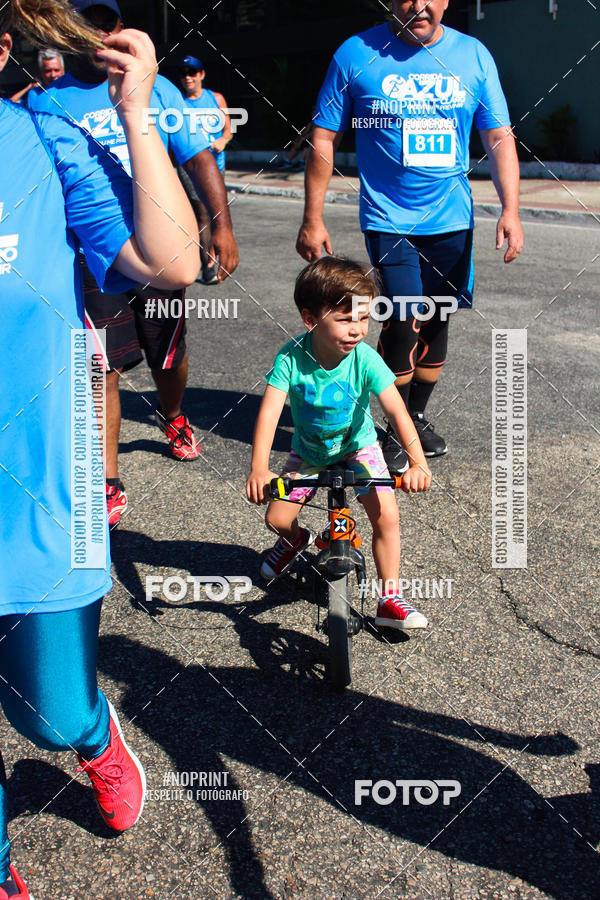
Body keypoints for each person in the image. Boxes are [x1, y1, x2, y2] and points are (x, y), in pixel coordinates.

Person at [0, 1, 199, 896]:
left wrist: (136, 112)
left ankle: (89, 735)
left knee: (47, 710)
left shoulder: (41, 140)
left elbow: (171, 265)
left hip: (39, 490)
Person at [30, 0, 239, 526]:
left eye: (110, 24)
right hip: (94, 260)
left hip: (163, 243)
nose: (101, 34)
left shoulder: (157, 86)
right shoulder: (45, 104)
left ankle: (173, 416)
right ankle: (106, 477)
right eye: (89, 25)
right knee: (100, 367)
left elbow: (197, 157)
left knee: (168, 353)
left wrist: (223, 227)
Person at [296, 0, 524, 471]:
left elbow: (499, 136)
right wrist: (312, 217)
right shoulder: (356, 53)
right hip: (388, 219)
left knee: (438, 318)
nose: (419, 5)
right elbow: (324, 136)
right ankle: (392, 427)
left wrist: (511, 209)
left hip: (453, 221)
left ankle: (415, 415)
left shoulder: (474, 54)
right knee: (401, 319)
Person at [246, 257, 431, 631]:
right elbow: (268, 415)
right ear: (310, 319)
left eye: (364, 319)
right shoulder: (291, 358)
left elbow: (397, 412)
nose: (357, 330)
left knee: (387, 515)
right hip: (310, 452)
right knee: (276, 518)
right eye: (345, 319)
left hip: (358, 448)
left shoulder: (366, 360)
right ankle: (296, 541)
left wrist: (418, 462)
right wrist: (259, 468)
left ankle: (389, 597)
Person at [177, 55, 232, 284]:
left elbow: (228, 130)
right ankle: (208, 267)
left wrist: (222, 142)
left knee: (217, 214)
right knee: (202, 214)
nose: (188, 77)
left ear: (202, 74)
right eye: (184, 73)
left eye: (193, 72)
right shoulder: (177, 101)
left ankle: (217, 258)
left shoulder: (215, 98)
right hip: (190, 168)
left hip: (216, 166)